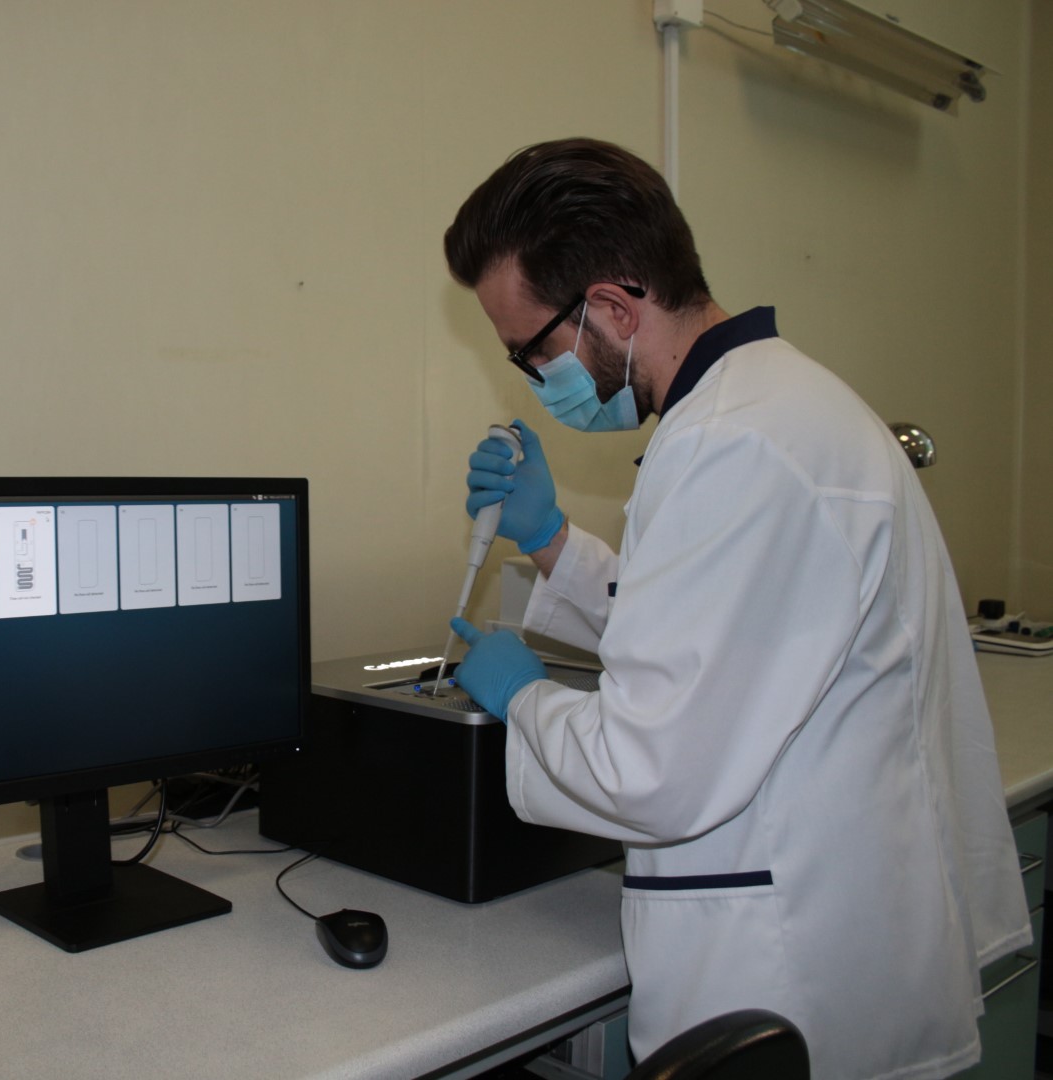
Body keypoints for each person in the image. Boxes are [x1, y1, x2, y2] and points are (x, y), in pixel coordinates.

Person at [441, 138, 1031, 1079]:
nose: (533, 379)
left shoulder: (738, 444)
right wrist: (550, 540)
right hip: (830, 938)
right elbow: (722, 637)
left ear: (613, 308)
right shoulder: (769, 406)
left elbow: (650, 774)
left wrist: (524, 698)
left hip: (795, 972)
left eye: (533, 352)